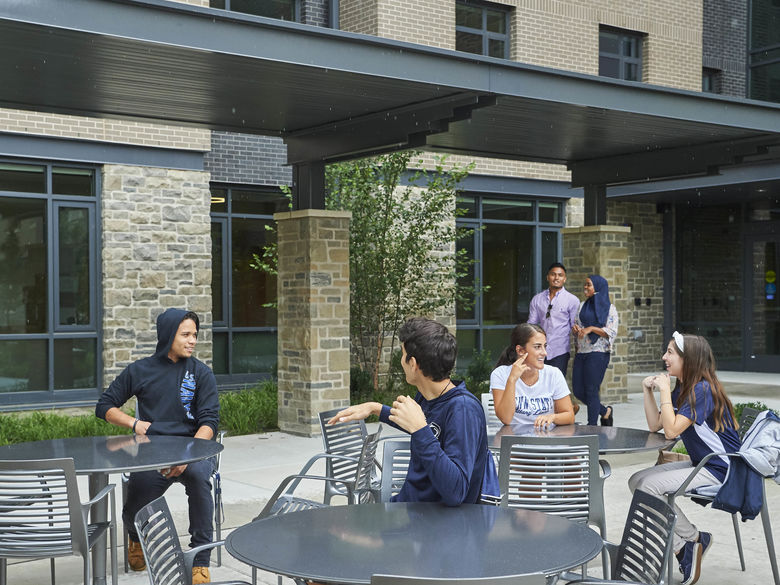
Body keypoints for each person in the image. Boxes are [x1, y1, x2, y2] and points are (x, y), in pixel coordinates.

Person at [96, 308, 219, 585]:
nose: (192, 341)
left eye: (195, 335)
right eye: (185, 334)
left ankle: (200, 559)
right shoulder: (140, 370)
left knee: (200, 479)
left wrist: (188, 456)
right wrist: (135, 424)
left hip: (194, 449)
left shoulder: (201, 373)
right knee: (134, 505)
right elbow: (104, 406)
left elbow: (209, 422)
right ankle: (136, 537)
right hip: (152, 453)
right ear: (167, 336)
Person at [328, 317, 498, 506]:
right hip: (409, 508)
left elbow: (456, 492)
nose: (401, 361)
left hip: (436, 525)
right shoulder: (427, 397)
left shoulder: (463, 410)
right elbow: (428, 428)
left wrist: (420, 429)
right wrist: (375, 408)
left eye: (402, 354)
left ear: (413, 363)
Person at [629, 332, 740, 585]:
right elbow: (656, 425)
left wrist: (665, 391)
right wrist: (648, 391)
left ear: (687, 359)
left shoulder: (701, 390)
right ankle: (695, 539)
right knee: (637, 480)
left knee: (648, 487)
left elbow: (671, 431)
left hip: (721, 467)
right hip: (702, 462)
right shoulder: (686, 387)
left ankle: (684, 547)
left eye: (670, 352)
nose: (663, 357)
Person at [490, 323, 575, 427]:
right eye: (537, 347)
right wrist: (512, 379)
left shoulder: (554, 374)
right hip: (513, 440)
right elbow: (506, 419)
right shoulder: (500, 374)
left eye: (545, 346)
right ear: (520, 350)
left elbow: (569, 416)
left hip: (545, 439)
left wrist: (552, 417)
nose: (544, 353)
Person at [572, 275, 618, 426]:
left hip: (598, 353)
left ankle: (592, 428)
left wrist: (591, 329)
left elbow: (611, 331)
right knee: (578, 391)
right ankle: (605, 412)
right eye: (585, 284)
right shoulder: (581, 305)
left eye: (589, 285)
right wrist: (576, 329)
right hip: (582, 352)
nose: (585, 287)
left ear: (598, 288)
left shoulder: (610, 309)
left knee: (591, 391)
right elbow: (578, 326)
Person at [527, 262, 580, 377]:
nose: (556, 278)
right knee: (538, 383)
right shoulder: (537, 299)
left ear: (564, 279)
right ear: (547, 277)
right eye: (553, 274)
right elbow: (531, 325)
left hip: (560, 351)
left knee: (557, 386)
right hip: (539, 350)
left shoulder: (572, 300)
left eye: (560, 275)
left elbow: (574, 326)